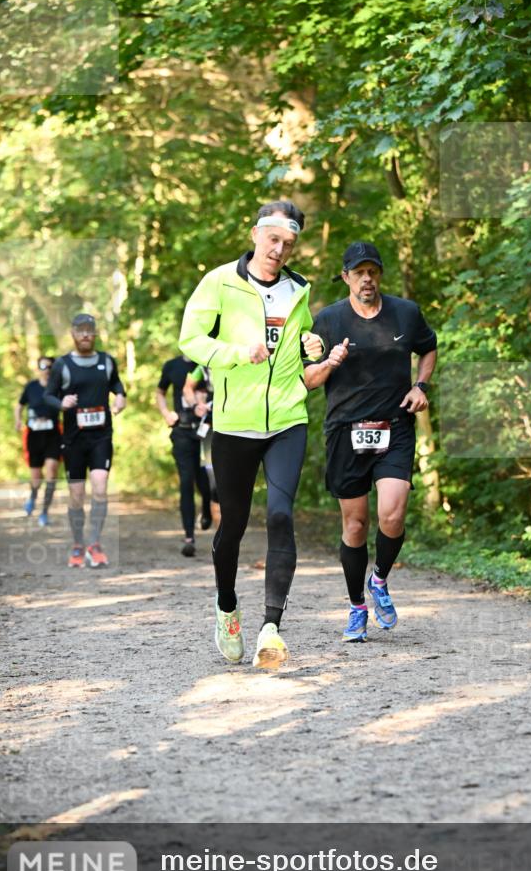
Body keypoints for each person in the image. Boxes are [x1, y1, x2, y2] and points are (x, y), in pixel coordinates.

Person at [179, 199, 323, 668]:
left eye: (288, 243)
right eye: (273, 239)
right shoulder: (219, 281)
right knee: (234, 523)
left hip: (287, 419)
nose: (279, 250)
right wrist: (239, 352)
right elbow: (191, 340)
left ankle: (271, 627)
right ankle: (226, 607)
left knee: (280, 515)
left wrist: (311, 345)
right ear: (256, 233)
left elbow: (301, 347)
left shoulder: (298, 290)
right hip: (236, 422)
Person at [305, 241, 437, 641]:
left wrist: (420, 385)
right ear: (345, 277)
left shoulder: (405, 313)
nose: (367, 278)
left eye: (372, 271)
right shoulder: (326, 322)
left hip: (394, 425)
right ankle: (356, 607)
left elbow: (429, 348)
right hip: (346, 431)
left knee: (393, 516)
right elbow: (307, 380)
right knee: (356, 524)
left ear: (379, 275)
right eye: (358, 272)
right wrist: (330, 362)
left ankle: (379, 580)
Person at [44, 314, 126, 569]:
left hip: (101, 436)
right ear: (73, 333)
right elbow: (48, 395)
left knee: (100, 485)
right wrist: (61, 403)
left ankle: (95, 543)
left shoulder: (106, 361)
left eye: (90, 330)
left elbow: (117, 385)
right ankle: (78, 544)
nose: (86, 335)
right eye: (81, 331)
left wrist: (121, 397)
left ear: (95, 333)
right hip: (73, 440)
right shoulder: (62, 365)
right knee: (77, 494)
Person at [155, 355, 214, 557]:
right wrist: (166, 413)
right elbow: (160, 392)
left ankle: (207, 507)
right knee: (186, 481)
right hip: (182, 431)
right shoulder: (172, 366)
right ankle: (189, 537)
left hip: (208, 430)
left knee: (208, 482)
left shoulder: (210, 362)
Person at [15, 356, 61, 527]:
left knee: (52, 471)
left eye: (51, 366)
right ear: (38, 368)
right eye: (44, 366)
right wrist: (18, 420)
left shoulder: (59, 387)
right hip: (34, 434)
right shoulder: (31, 387)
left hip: (53, 434)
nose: (47, 369)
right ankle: (33, 497)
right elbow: (20, 405)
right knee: (36, 476)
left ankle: (44, 511)